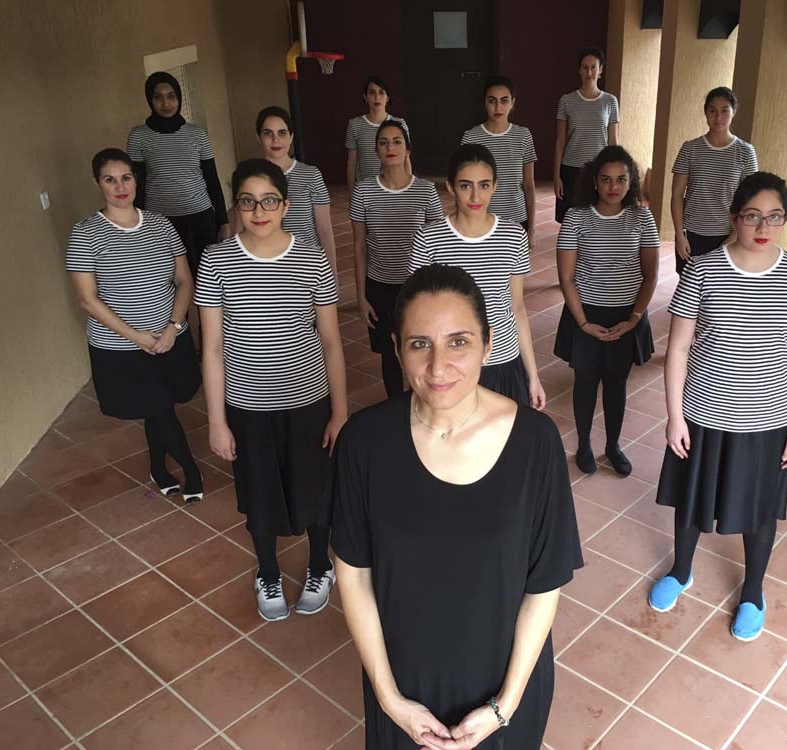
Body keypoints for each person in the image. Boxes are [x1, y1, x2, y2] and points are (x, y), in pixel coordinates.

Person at [333, 263, 583, 750]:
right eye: (419, 344)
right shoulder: (363, 443)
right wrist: (389, 699)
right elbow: (354, 576)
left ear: (488, 345)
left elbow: (544, 586)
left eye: (458, 342)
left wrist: (505, 704)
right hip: (404, 690)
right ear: (397, 350)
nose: (438, 366)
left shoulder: (535, 443)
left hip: (503, 692)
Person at [649, 172, 787, 641]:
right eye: (752, 216)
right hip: (703, 414)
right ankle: (681, 570)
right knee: (690, 500)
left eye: (774, 217)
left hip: (768, 420)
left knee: (760, 511)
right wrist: (674, 416)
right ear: (734, 218)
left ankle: (752, 592)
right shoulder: (703, 270)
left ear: (786, 220)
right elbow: (679, 348)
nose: (763, 227)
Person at [196, 159, 347, 621]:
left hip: (308, 401)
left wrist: (340, 412)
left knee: (316, 489)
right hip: (247, 406)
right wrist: (217, 421)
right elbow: (213, 348)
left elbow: (330, 341)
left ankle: (320, 565)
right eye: (248, 201)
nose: (258, 211)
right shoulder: (216, 260)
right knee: (258, 493)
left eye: (269, 201)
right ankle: (267, 571)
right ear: (236, 206)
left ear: (285, 205)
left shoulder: (312, 259)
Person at [67, 148, 204, 502]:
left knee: (158, 407)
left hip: (170, 336)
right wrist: (135, 336)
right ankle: (192, 471)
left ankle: (157, 467)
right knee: (158, 407)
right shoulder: (85, 234)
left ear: (135, 179)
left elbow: (184, 281)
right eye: (110, 180)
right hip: (122, 347)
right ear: (97, 183)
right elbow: (87, 299)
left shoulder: (161, 224)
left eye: (126, 177)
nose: (120, 187)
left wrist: (173, 326)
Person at [408, 144, 546, 410]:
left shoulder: (513, 236)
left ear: (495, 186)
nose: (475, 195)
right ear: (450, 187)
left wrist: (533, 376)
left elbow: (517, 307)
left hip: (503, 360)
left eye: (484, 185)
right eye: (465, 185)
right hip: (452, 365)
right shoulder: (428, 239)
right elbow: (417, 315)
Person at [554, 146, 660, 477]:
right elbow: (566, 277)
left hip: (626, 316)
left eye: (621, 179)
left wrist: (634, 318)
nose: (613, 186)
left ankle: (613, 446)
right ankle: (584, 446)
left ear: (631, 182)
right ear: (595, 182)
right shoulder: (577, 217)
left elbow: (651, 275)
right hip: (584, 312)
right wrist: (583, 322)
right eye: (606, 179)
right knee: (585, 382)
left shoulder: (642, 218)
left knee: (616, 383)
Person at [351, 120, 444, 397]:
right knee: (389, 354)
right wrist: (361, 297)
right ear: (376, 151)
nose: (390, 147)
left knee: (421, 349)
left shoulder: (425, 190)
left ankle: (422, 402)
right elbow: (359, 246)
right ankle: (395, 407)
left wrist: (436, 292)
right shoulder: (363, 191)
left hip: (416, 287)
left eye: (396, 141)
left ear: (407, 150)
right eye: (383, 142)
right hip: (379, 285)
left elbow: (438, 245)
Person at [127, 72, 230, 276]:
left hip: (201, 218)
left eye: (171, 96)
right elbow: (137, 186)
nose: (166, 103)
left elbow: (212, 180)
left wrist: (223, 222)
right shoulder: (138, 137)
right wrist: (137, 226)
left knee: (207, 276)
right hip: (161, 222)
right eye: (158, 97)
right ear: (150, 100)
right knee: (171, 278)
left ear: (179, 98)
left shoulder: (197, 134)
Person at [670, 86, 758, 275]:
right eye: (712, 111)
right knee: (689, 283)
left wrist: (734, 236)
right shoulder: (690, 149)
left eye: (724, 111)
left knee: (723, 288)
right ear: (705, 113)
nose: (718, 117)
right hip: (692, 234)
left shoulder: (745, 152)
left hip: (728, 235)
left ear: (734, 112)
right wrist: (679, 235)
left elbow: (750, 201)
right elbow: (677, 194)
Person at [247, 106, 338, 276]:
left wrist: (331, 275)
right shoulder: (249, 178)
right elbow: (241, 231)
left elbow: (324, 230)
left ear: (291, 137)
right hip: (266, 267)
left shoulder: (311, 175)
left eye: (282, 133)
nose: (275, 140)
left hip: (307, 265)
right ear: (258, 138)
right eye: (268, 133)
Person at [461, 75, 537, 241]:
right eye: (492, 101)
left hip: (516, 218)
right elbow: (463, 185)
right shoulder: (471, 137)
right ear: (484, 102)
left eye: (504, 101)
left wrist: (531, 227)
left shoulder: (523, 136)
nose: (498, 107)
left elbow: (529, 184)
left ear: (512, 103)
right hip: (481, 219)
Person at [554, 47, 620, 223]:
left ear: (600, 70)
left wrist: (616, 173)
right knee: (570, 221)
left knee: (596, 219)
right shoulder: (566, 101)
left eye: (593, 67)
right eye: (584, 67)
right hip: (571, 169)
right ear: (579, 70)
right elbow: (560, 141)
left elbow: (613, 141)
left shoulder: (610, 101)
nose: (589, 72)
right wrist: (556, 175)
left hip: (599, 170)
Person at [345, 76, 411, 195]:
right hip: (366, 189)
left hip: (395, 187)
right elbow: (352, 163)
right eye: (372, 92)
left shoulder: (400, 124)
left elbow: (406, 158)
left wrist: (408, 190)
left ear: (387, 97)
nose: (377, 97)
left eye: (381, 92)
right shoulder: (355, 125)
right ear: (365, 97)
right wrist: (351, 194)